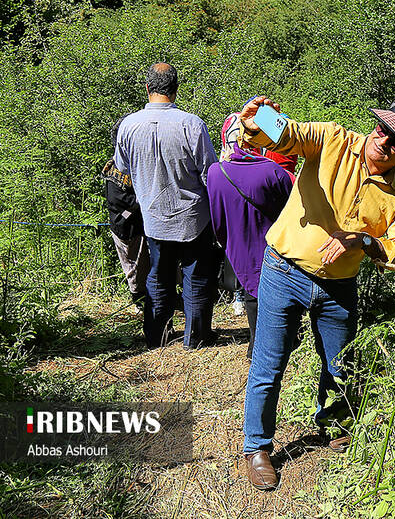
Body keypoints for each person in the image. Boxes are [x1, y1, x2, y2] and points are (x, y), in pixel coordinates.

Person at [238, 97, 395, 490]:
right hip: (283, 270)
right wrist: (258, 121)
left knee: (340, 366)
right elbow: (288, 134)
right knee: (268, 365)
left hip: (338, 287)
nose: (384, 140)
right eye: (383, 129)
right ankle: (257, 448)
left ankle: (334, 426)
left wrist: (363, 241)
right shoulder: (332, 140)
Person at [114, 62, 218, 350]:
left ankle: (156, 337)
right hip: (193, 217)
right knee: (195, 277)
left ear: (148, 88)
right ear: (175, 89)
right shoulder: (192, 124)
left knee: (158, 277)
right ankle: (195, 338)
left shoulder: (128, 125)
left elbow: (122, 168)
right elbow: (210, 173)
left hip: (154, 216)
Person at [208, 110, 295, 358]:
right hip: (273, 241)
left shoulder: (216, 171)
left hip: (238, 243)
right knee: (276, 294)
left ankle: (255, 344)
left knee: (250, 293)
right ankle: (280, 344)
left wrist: (228, 242)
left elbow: (217, 219)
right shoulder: (272, 170)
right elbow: (292, 207)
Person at [103, 114, 150, 309]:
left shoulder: (136, 163)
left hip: (139, 225)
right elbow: (119, 202)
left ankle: (148, 304)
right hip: (127, 228)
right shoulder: (115, 170)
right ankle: (140, 304)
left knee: (145, 269)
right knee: (134, 270)